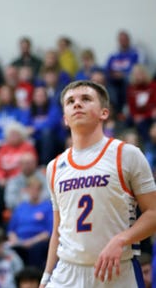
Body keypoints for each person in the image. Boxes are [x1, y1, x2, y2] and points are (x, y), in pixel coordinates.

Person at [41, 79, 156, 288]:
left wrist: (122, 239)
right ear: (65, 118)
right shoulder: (54, 166)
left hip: (116, 269)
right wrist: (46, 276)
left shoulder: (127, 154)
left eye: (86, 99)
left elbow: (153, 213)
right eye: (70, 101)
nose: (77, 104)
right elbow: (58, 229)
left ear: (104, 112)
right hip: (67, 272)